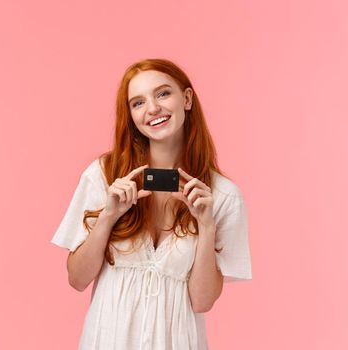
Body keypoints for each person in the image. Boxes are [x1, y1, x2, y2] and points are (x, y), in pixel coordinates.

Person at [51, 58, 252, 349]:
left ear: (186, 99)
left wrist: (206, 227)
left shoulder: (222, 196)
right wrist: (109, 216)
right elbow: (77, 279)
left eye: (162, 93)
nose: (153, 108)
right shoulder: (103, 176)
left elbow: (202, 301)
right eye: (138, 102)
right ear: (131, 115)